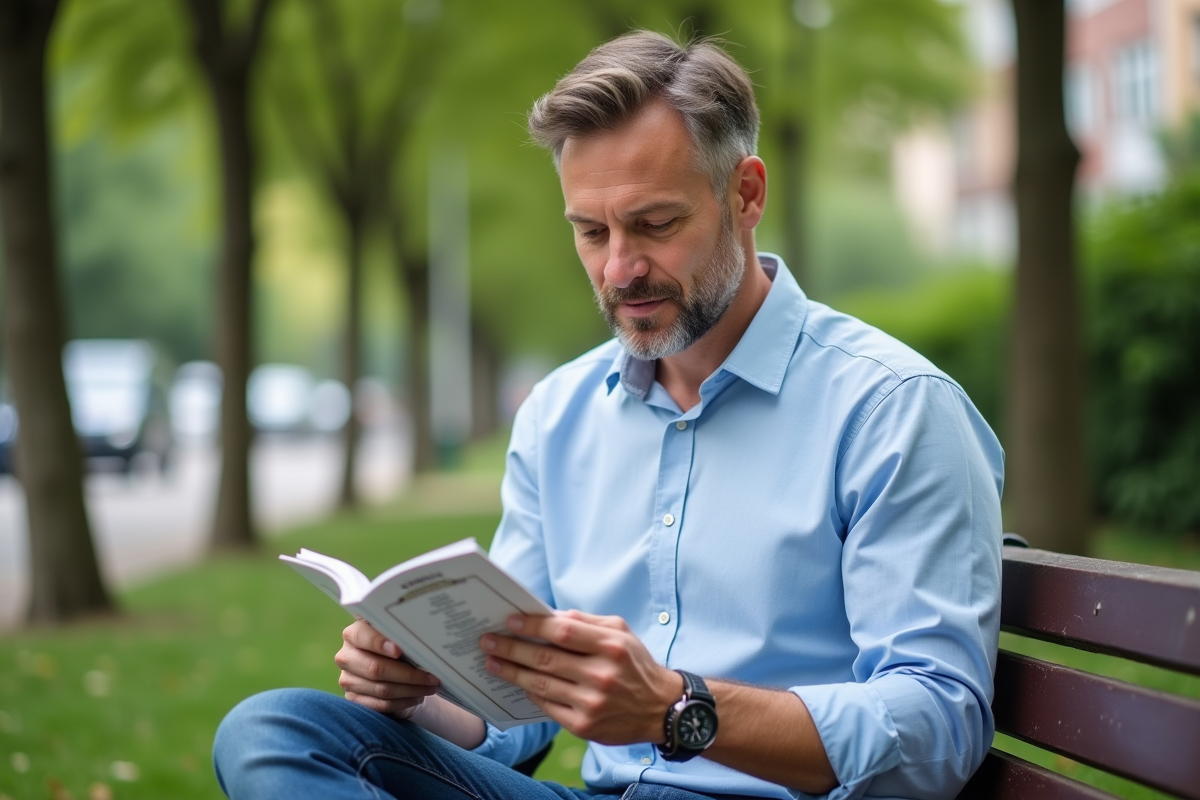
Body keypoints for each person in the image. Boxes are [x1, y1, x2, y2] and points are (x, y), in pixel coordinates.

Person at [213, 30, 1003, 800]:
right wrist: (418, 692)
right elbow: (515, 709)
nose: (620, 269)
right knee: (274, 731)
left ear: (747, 194)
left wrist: (678, 708)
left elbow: (938, 724)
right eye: (591, 232)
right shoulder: (558, 416)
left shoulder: (893, 409)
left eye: (655, 224)